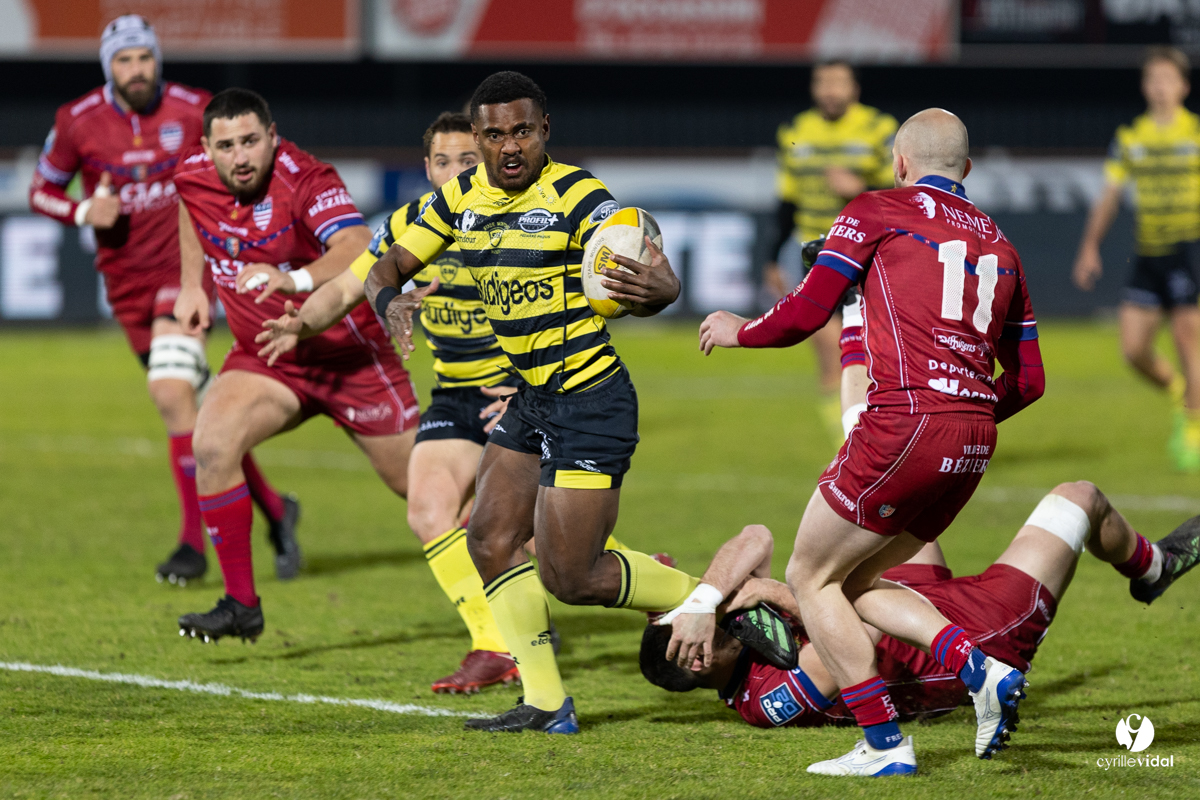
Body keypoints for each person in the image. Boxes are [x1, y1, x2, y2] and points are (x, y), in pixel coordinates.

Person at [699, 109, 1046, 775]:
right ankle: (978, 669)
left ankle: (885, 745)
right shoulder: (1002, 245)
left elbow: (805, 313)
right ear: (967, 170)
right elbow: (1028, 382)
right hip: (972, 440)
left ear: (899, 162)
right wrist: (962, 413)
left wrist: (740, 329)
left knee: (808, 574)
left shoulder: (876, 208)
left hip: (906, 423)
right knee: (854, 582)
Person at [257, 111, 647, 694]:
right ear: (427, 167)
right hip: (455, 394)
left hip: (522, 395)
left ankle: (644, 578)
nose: (456, 171)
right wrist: (301, 326)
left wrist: (528, 384)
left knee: (533, 540)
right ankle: (497, 644)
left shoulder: (523, 220)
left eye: (468, 159)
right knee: (431, 508)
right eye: (444, 161)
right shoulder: (416, 227)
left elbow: (573, 306)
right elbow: (345, 287)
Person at [363, 71, 701, 733]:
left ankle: (714, 598)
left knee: (570, 578)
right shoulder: (459, 199)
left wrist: (661, 286)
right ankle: (547, 704)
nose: (508, 146)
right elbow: (386, 265)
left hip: (590, 400)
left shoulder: (579, 195)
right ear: (479, 139)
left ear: (544, 131)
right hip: (532, 402)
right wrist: (390, 299)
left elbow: (642, 266)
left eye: (521, 130)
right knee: (488, 540)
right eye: (494, 134)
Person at [27, 15, 296, 587]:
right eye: (124, 60)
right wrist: (81, 211)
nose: (136, 69)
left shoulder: (193, 109)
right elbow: (40, 190)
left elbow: (240, 173)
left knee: (172, 394)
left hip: (185, 273)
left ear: (156, 60)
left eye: (144, 57)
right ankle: (276, 510)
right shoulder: (77, 122)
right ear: (109, 67)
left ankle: (192, 546)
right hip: (125, 285)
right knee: (197, 413)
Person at [640, 482, 1200, 735]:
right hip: (964, 633)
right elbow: (849, 631)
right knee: (1079, 498)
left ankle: (861, 320)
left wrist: (702, 598)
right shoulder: (764, 702)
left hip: (903, 594)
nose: (708, 623)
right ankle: (1152, 568)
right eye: (696, 630)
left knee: (897, 490)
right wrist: (776, 594)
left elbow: (755, 536)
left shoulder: (729, 619)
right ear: (697, 662)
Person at [171, 88, 419, 642]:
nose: (240, 157)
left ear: (273, 137)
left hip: (348, 358)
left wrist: (297, 279)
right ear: (207, 150)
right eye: (227, 145)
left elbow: (357, 242)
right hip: (269, 357)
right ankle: (241, 603)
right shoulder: (190, 173)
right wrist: (193, 285)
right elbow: (190, 207)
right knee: (211, 446)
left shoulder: (305, 179)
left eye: (251, 142)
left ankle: (537, 573)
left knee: (430, 494)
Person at [1074, 47, 1200, 472]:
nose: (1160, 86)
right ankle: (1179, 388)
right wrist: (1090, 246)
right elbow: (1109, 196)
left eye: (1168, 78)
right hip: (1148, 252)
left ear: (1182, 86)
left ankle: (1193, 426)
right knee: (1133, 349)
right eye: (1153, 79)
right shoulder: (1131, 137)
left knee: (1188, 340)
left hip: (1190, 248)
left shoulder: (1195, 132)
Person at [766, 61, 897, 441]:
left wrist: (860, 187)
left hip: (868, 251)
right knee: (831, 352)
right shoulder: (795, 131)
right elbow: (786, 201)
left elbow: (903, 190)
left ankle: (880, 434)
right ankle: (849, 444)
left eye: (838, 82)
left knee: (877, 353)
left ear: (854, 88)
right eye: (823, 81)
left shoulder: (879, 128)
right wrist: (772, 258)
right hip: (813, 255)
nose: (830, 89)